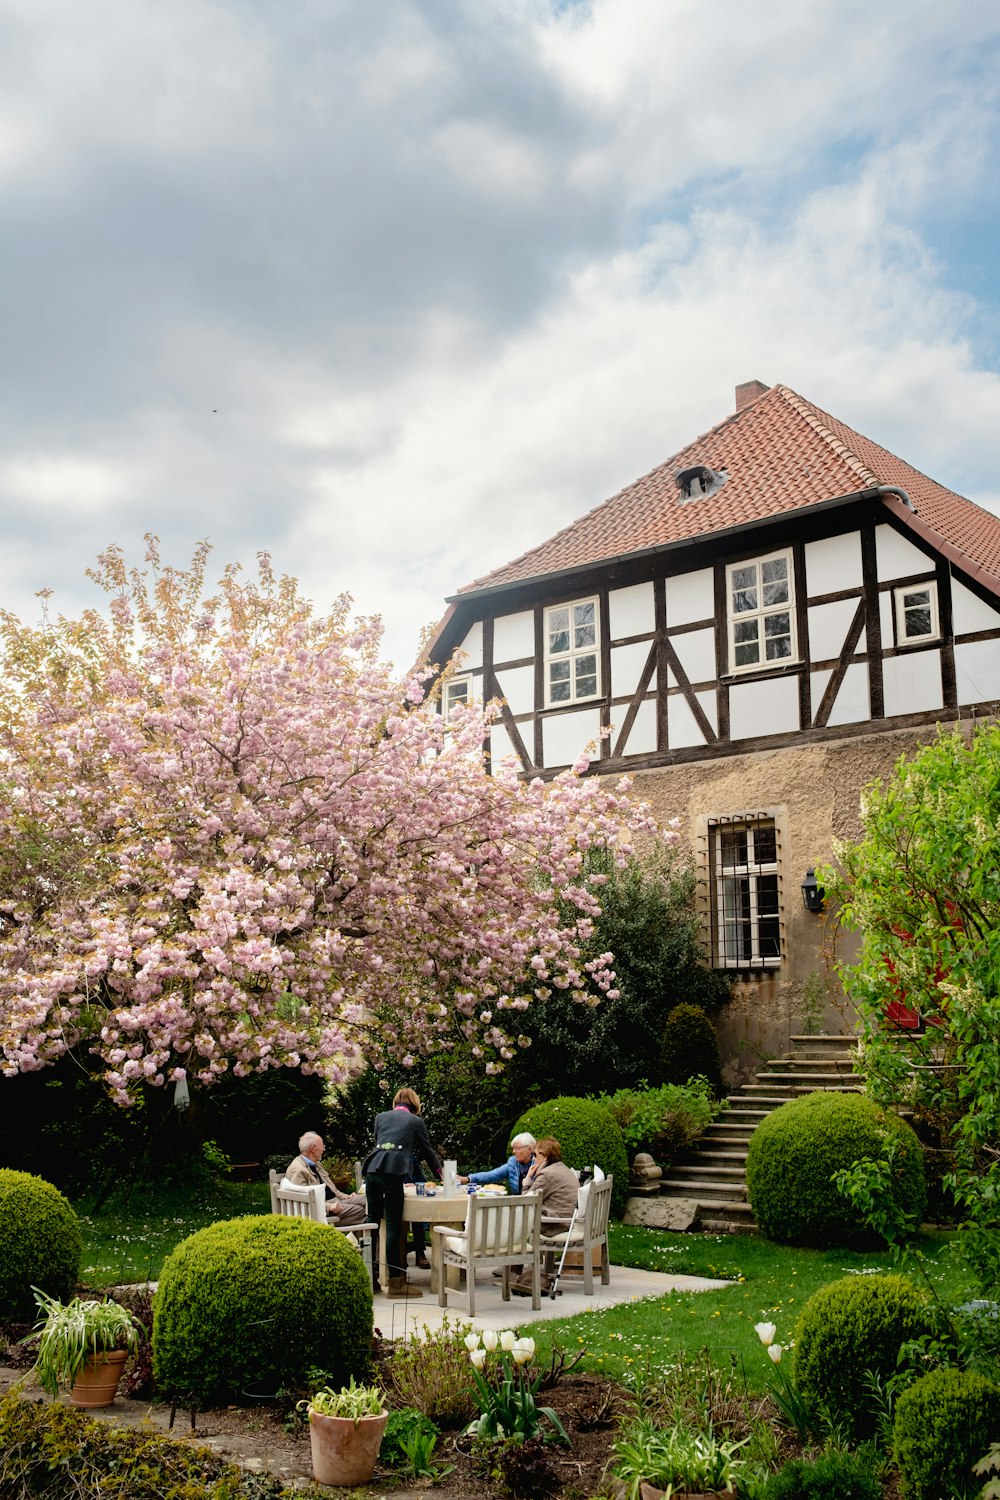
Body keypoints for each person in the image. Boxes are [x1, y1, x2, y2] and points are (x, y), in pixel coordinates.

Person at [362, 1087, 442, 1299]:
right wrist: (441, 1174)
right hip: (392, 1173)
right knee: (393, 1229)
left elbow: (379, 1143)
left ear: (396, 1102)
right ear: (414, 1105)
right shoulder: (416, 1122)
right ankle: (397, 1284)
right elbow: (427, 1151)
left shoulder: (380, 1117)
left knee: (372, 1223)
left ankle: (370, 1279)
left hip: (371, 1170)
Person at [511, 1137, 581, 1296]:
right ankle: (514, 1269)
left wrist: (527, 1180)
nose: (534, 1159)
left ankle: (514, 1273)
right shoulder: (561, 1168)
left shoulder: (547, 1175)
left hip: (554, 1225)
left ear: (545, 1156)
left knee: (515, 1223)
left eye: (536, 1155)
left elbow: (526, 1201)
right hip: (565, 1221)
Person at [285, 1132, 369, 1225]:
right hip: (322, 1208)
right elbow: (302, 1201)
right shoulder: (297, 1170)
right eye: (322, 1146)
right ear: (313, 1148)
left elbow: (332, 1190)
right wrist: (329, 1207)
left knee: (368, 1199)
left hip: (336, 1200)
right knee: (363, 1211)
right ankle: (369, 1238)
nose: (324, 1149)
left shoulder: (316, 1164)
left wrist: (345, 1196)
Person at [458, 1132, 536, 1194]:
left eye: (517, 1148)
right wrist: (468, 1179)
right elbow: (492, 1175)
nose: (514, 1152)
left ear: (529, 1149)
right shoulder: (513, 1163)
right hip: (518, 1203)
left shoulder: (538, 1163)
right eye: (513, 1148)